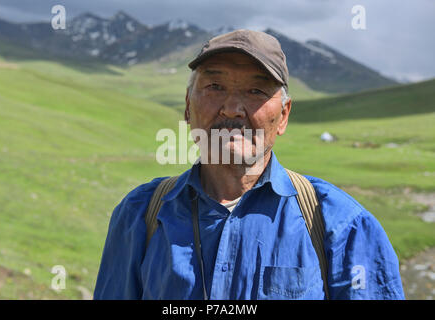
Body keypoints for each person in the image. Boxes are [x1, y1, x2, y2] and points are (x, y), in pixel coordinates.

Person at [94, 29, 405, 300]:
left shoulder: (342, 225)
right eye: (215, 87)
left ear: (283, 115)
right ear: (188, 107)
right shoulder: (139, 215)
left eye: (255, 91)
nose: (232, 109)